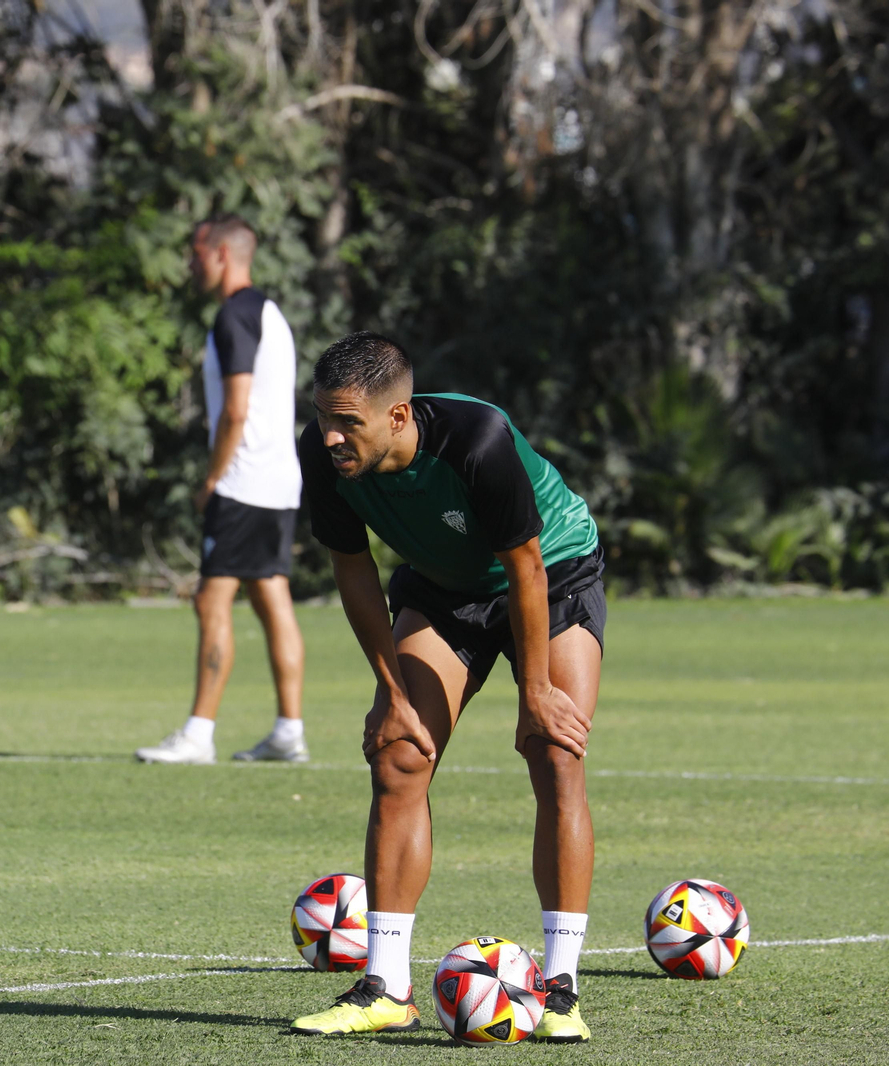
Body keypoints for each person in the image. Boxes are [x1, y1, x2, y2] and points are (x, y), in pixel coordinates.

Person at [287, 332, 604, 1044]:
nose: (332, 435)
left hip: (551, 576)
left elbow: (524, 569)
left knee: (555, 753)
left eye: (348, 422)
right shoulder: (325, 454)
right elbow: (353, 570)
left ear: (397, 417)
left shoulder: (476, 440)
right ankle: (385, 987)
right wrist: (391, 689)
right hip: (442, 588)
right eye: (323, 418)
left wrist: (536, 694)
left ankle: (559, 992)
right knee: (400, 755)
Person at [135, 216, 308, 766]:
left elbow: (236, 409)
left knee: (212, 600)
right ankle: (289, 730)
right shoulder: (272, 314)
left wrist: (212, 478)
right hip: (280, 481)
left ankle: (198, 734)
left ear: (221, 254)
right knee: (270, 596)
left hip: (243, 480)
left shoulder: (233, 315)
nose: (189, 263)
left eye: (195, 252)